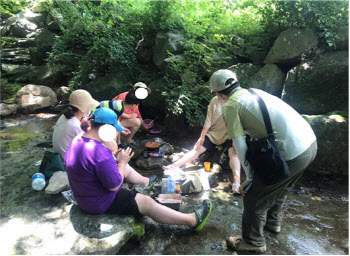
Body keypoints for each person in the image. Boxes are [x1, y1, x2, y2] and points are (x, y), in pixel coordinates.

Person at [209, 69, 317, 253]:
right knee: (279, 188)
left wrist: (249, 177)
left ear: (219, 94)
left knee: (255, 197)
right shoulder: (254, 92)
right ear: (236, 82)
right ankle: (272, 224)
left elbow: (239, 144)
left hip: (292, 152)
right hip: (310, 144)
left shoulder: (230, 105)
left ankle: (253, 242)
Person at [65, 108, 212, 231]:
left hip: (83, 194)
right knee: (147, 202)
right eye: (115, 130)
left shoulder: (79, 138)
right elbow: (114, 185)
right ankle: (193, 220)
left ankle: (146, 182)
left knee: (124, 165)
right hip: (98, 202)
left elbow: (94, 164)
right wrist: (121, 162)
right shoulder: (99, 153)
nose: (116, 134)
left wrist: (114, 156)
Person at [163, 95, 241, 193]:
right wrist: (202, 136)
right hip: (213, 133)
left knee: (234, 153)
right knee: (197, 149)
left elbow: (238, 124)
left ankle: (237, 183)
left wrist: (235, 141)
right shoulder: (215, 100)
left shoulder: (236, 102)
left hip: (229, 135)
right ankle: (174, 165)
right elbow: (208, 120)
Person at [52, 89, 99, 159]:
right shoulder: (75, 126)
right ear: (82, 108)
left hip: (60, 157)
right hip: (67, 162)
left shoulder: (64, 117)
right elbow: (89, 147)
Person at [112, 82, 151, 147]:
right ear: (135, 89)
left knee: (137, 121)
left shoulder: (136, 100)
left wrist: (144, 126)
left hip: (121, 120)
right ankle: (118, 143)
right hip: (112, 120)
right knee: (117, 126)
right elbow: (115, 111)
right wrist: (128, 116)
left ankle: (127, 140)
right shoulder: (124, 96)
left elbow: (138, 115)